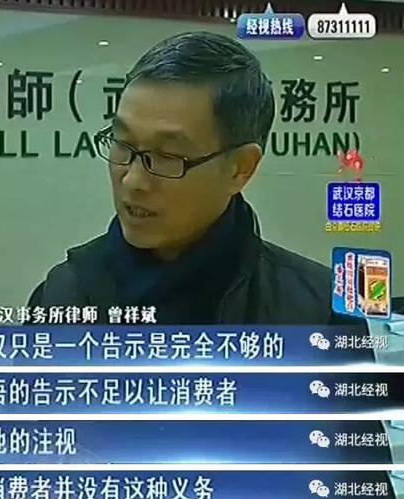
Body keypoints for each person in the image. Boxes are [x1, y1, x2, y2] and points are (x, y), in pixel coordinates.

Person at [27, 31, 353, 325]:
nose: (132, 181)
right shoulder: (61, 296)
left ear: (240, 168)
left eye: (167, 156)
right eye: (123, 143)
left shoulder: (320, 314)